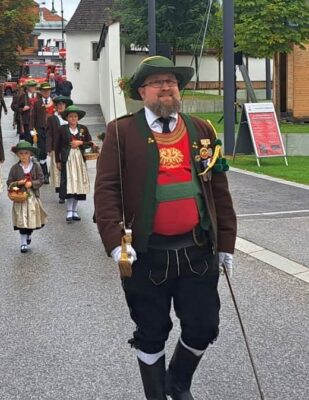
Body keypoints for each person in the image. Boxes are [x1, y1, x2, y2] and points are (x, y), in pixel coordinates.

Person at [94, 56, 237, 400]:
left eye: (171, 81)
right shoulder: (121, 131)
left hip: (197, 250)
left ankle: (178, 383)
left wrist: (226, 243)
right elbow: (107, 189)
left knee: (204, 326)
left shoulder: (201, 128)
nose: (166, 87)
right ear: (142, 91)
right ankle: (156, 394)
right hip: (147, 254)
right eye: (157, 82)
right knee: (151, 331)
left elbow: (218, 188)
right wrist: (115, 243)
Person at [7, 140, 48, 253]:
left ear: (31, 154)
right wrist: (18, 184)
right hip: (20, 198)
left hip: (32, 198)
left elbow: (41, 179)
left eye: (26, 153)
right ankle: (23, 243)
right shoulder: (15, 168)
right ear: (17, 155)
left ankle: (29, 234)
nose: (24, 156)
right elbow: (9, 182)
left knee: (31, 219)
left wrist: (32, 184)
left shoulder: (35, 166)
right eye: (21, 153)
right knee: (21, 220)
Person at [55, 105, 94, 222]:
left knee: (78, 185)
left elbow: (90, 143)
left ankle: (75, 211)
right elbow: (57, 146)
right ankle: (69, 211)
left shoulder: (83, 129)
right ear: (67, 118)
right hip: (67, 159)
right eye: (71, 116)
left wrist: (80, 142)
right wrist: (57, 160)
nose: (73, 118)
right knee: (69, 184)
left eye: (75, 116)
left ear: (78, 118)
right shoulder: (62, 129)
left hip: (79, 160)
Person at [46, 95, 72, 202]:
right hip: (57, 148)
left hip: (68, 148)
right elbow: (49, 134)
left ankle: (68, 191)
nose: (60, 107)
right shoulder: (52, 118)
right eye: (59, 105)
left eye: (62, 105)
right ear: (56, 107)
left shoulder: (70, 118)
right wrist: (49, 148)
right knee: (59, 170)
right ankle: (61, 194)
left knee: (68, 170)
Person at [30, 82, 55, 184]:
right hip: (40, 131)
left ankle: (51, 173)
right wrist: (32, 129)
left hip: (52, 132)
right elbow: (33, 117)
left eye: (48, 90)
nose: (46, 92)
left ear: (50, 91)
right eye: (44, 90)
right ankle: (45, 174)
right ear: (41, 92)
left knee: (52, 152)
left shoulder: (54, 103)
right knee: (42, 154)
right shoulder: (37, 103)